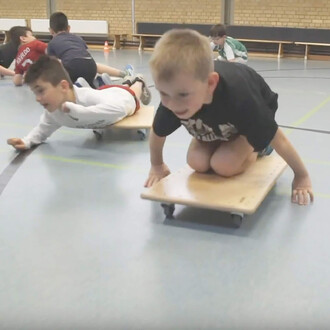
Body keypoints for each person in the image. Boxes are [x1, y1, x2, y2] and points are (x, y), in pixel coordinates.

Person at [144, 29, 313, 206]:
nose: (173, 105)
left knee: (223, 165)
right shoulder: (175, 95)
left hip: (250, 115)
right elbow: (158, 133)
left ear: (210, 84)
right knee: (197, 162)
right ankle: (221, 140)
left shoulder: (240, 98)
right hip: (218, 121)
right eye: (163, 94)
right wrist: (157, 166)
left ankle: (257, 149)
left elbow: (279, 139)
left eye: (183, 95)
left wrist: (302, 176)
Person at [7, 55, 151, 150]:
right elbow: (42, 130)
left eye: (41, 91)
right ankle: (123, 82)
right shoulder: (54, 112)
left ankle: (138, 80)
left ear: (64, 86)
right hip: (103, 93)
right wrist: (26, 142)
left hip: (120, 97)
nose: (37, 99)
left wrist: (79, 112)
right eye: (35, 93)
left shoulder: (87, 98)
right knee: (114, 90)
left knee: (132, 95)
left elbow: (119, 110)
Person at [47, 12, 133, 88]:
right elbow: (85, 54)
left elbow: (54, 65)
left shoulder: (52, 43)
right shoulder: (78, 38)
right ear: (69, 28)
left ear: (51, 31)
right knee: (92, 67)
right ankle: (101, 82)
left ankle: (78, 87)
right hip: (90, 66)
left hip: (72, 69)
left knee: (58, 66)